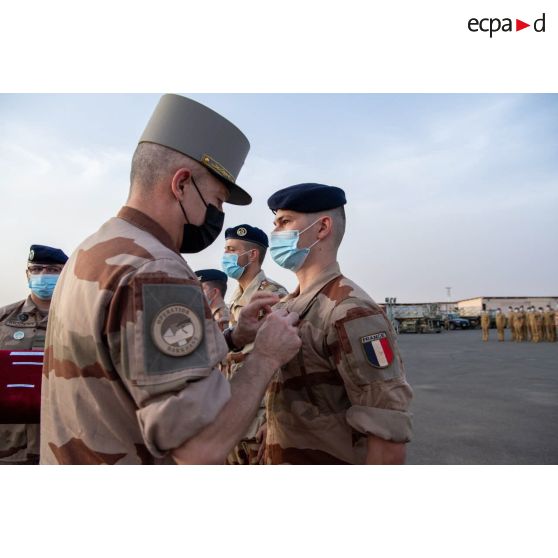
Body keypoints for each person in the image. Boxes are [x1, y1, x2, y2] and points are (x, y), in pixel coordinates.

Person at [40, 94, 301, 465]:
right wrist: (264, 357)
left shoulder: (91, 251)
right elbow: (199, 448)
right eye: (216, 198)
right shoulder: (157, 271)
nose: (218, 214)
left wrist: (231, 339)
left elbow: (125, 365)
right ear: (180, 184)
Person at [262, 183, 413, 464]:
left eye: (284, 222)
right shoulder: (286, 306)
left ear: (322, 228)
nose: (274, 233)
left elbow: (387, 440)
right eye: (274, 224)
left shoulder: (351, 312)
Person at [221, 224, 288, 464]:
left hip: (259, 418)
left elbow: (286, 361)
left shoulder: (273, 295)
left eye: (231, 249)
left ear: (252, 255)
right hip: (235, 412)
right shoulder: (237, 297)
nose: (225, 255)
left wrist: (274, 421)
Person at [0, 244, 67, 464]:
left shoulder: (82, 320)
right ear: (27, 274)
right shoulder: (3, 319)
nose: (43, 275)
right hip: (9, 444)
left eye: (52, 270)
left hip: (63, 441)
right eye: (37, 269)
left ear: (66, 274)